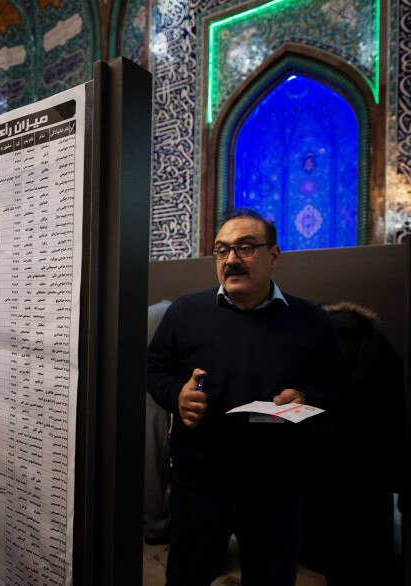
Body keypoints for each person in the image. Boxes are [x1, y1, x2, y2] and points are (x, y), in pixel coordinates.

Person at [147, 208, 351, 586]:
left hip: (276, 487)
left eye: (245, 248)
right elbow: (155, 372)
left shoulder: (311, 320)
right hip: (200, 483)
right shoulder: (184, 312)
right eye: (222, 250)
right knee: (187, 576)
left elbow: (338, 389)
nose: (231, 259)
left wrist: (305, 396)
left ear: (273, 256)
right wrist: (177, 395)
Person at [300, 301, 404, 584]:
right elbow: (393, 396)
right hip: (368, 448)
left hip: (320, 443)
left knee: (323, 511)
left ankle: (321, 561)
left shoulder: (313, 343)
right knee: (366, 515)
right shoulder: (377, 342)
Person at [144, 299, 173, 546]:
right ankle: (155, 528)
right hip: (149, 393)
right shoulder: (171, 314)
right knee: (153, 460)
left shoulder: (159, 310)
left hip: (133, 386)